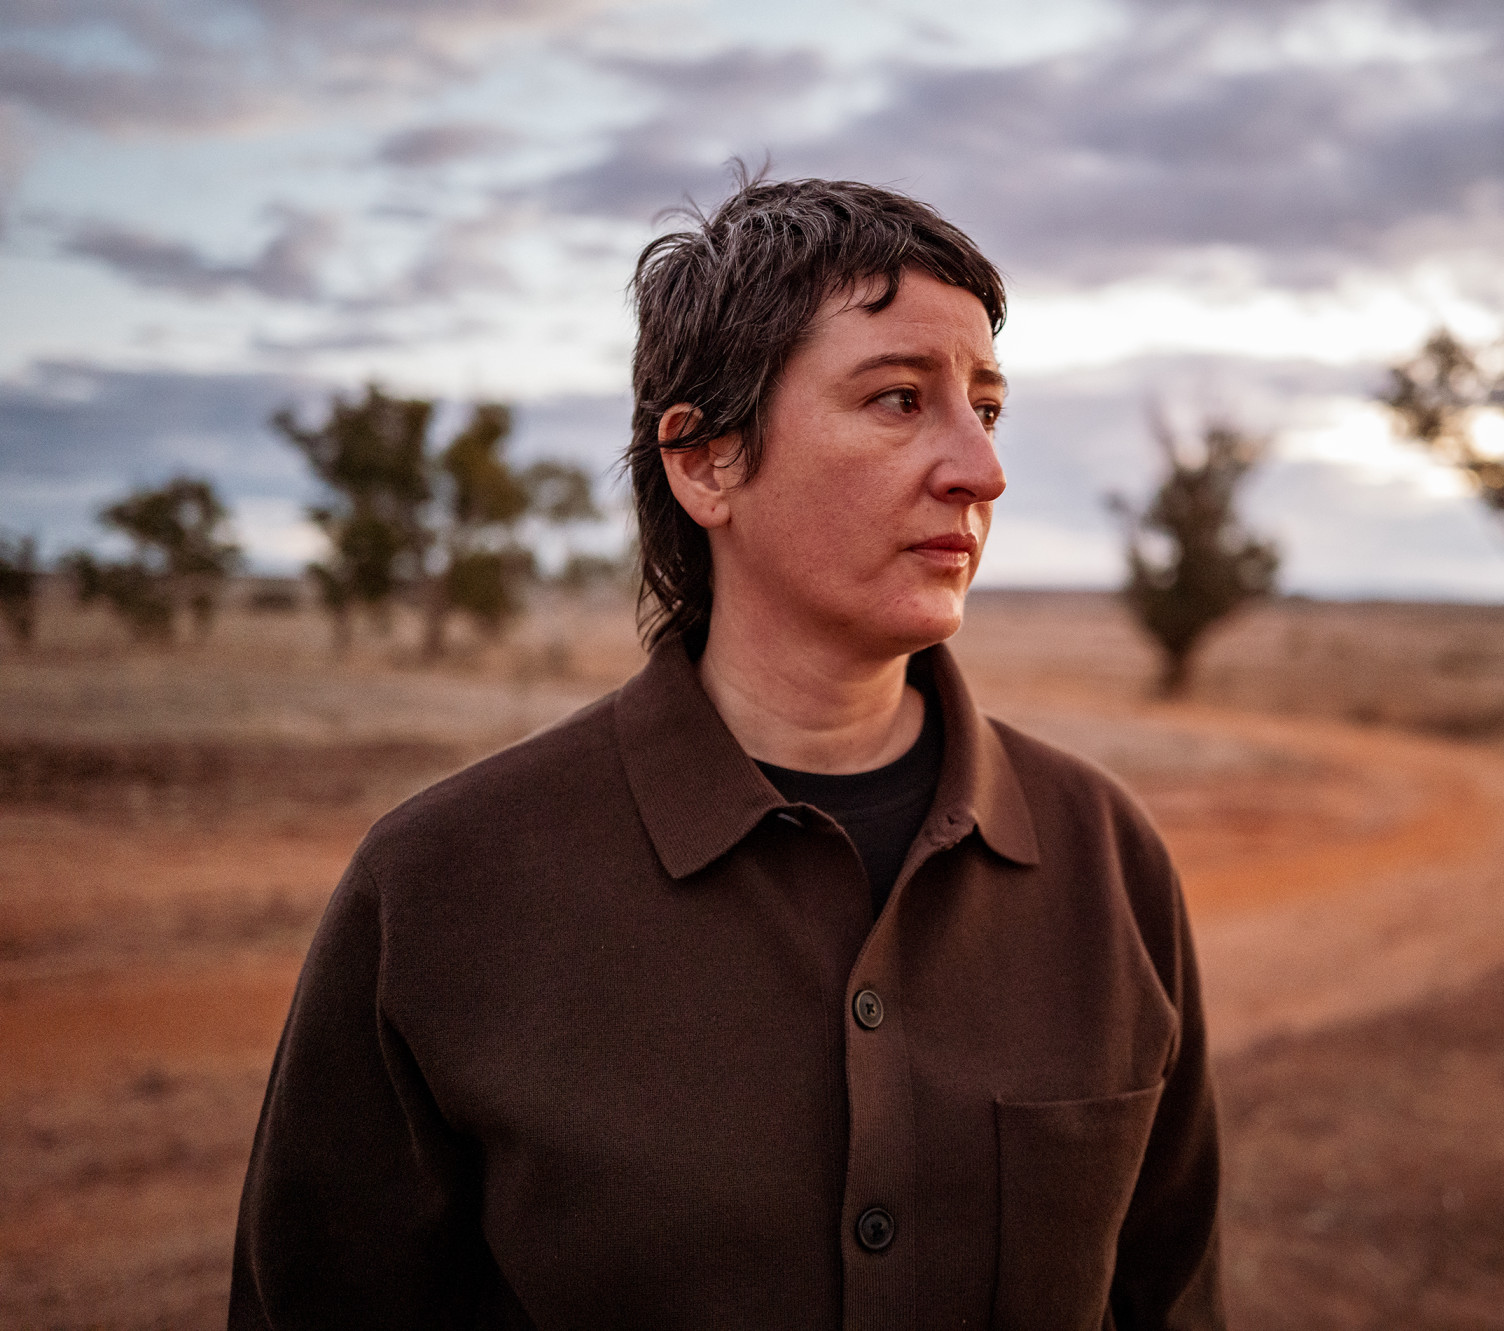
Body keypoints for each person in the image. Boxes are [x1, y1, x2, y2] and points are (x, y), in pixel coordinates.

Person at [229, 175, 1224, 1330]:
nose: (979, 469)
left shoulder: (1105, 856)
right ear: (703, 462)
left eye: (985, 408)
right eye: (899, 398)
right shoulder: (442, 885)